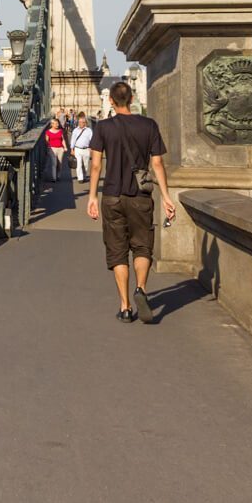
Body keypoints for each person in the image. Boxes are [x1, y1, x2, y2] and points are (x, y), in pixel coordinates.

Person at [87, 81, 175, 324]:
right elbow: (157, 164)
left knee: (117, 251)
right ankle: (142, 289)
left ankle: (125, 307)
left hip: (113, 196)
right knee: (142, 246)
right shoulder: (149, 125)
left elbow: (95, 165)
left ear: (111, 102)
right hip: (140, 197)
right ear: (133, 98)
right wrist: (167, 197)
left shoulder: (103, 128)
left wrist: (92, 196)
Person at [71, 113, 94, 183]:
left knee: (86, 165)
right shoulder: (75, 130)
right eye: (80, 122)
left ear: (85, 123)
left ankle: (84, 176)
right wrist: (72, 149)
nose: (81, 123)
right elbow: (73, 140)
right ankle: (80, 178)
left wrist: (92, 148)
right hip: (77, 149)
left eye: (83, 122)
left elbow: (92, 140)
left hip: (86, 149)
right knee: (79, 163)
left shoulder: (89, 130)